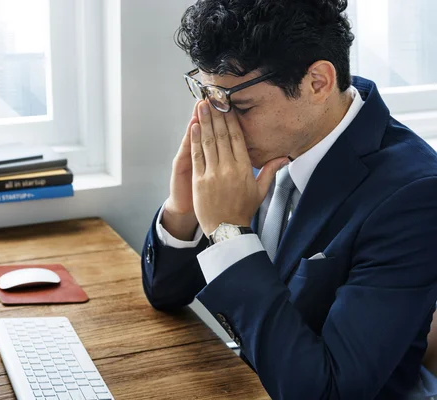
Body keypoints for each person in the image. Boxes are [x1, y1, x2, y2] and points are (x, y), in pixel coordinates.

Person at [140, 0, 437, 399]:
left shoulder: (414, 196)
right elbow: (165, 293)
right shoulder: (263, 139)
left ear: (318, 82)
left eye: (239, 104)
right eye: (209, 95)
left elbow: (329, 390)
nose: (220, 120)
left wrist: (228, 233)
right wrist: (183, 208)